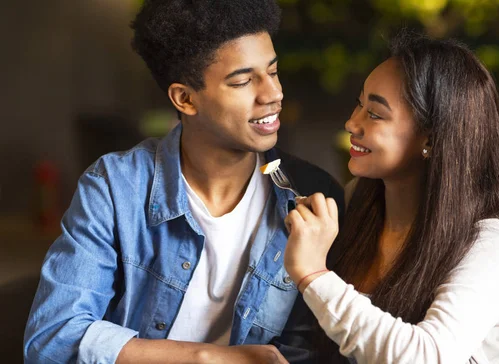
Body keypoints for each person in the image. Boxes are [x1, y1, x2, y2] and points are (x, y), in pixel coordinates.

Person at [23, 1, 343, 363]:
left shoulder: (313, 196)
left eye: (273, 71)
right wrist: (209, 358)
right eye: (242, 80)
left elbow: (311, 350)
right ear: (185, 99)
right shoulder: (114, 188)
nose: (272, 94)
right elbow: (52, 338)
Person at [283, 32, 499, 364]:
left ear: (432, 139)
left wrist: (312, 275)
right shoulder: (354, 204)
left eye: (375, 114)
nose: (352, 122)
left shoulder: (485, 244)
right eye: (359, 103)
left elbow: (428, 356)